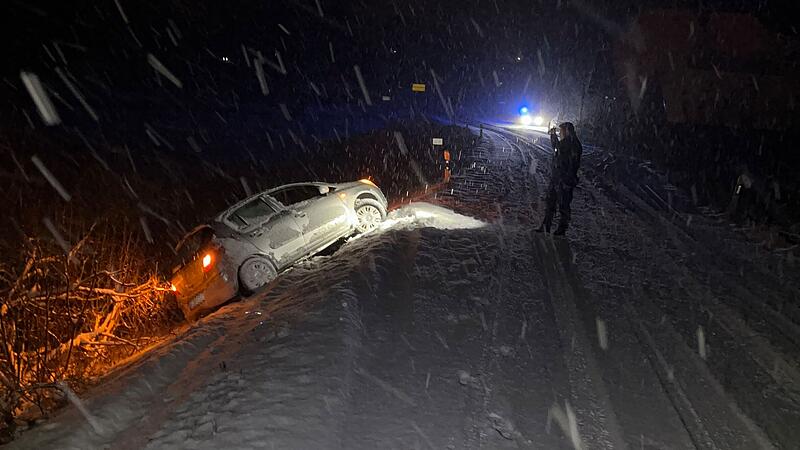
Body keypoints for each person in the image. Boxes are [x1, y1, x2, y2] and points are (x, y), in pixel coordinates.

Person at [535, 122, 583, 236]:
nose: (560, 133)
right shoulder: (567, 142)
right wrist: (553, 136)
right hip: (557, 177)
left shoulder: (573, 144)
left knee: (563, 204)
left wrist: (568, 178)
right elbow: (557, 148)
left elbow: (571, 162)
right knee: (550, 201)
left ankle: (562, 229)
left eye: (561, 131)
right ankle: (546, 225)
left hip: (565, 179)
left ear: (567, 131)